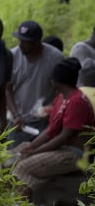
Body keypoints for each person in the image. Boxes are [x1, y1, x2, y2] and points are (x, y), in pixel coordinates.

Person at [9, 57, 95, 201]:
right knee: (12, 156)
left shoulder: (77, 101)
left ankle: (22, 202)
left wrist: (35, 151)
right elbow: (50, 130)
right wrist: (31, 146)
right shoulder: (62, 97)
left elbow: (64, 136)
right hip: (63, 147)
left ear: (57, 80)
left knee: (23, 167)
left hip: (74, 153)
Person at [6, 21, 65, 149]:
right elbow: (7, 90)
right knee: (14, 161)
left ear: (37, 41)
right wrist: (16, 115)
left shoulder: (56, 58)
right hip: (19, 123)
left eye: (25, 41)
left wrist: (55, 110)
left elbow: (64, 90)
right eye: (20, 40)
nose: (20, 44)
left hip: (46, 122)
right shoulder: (12, 56)